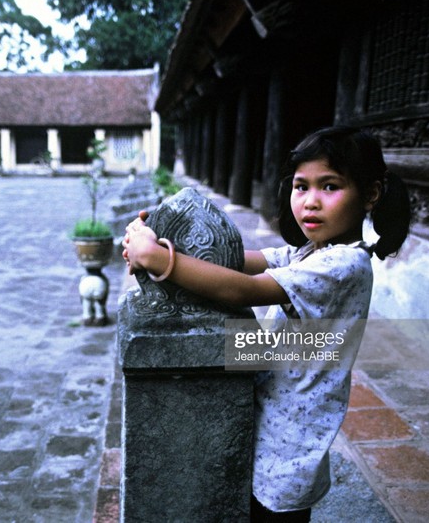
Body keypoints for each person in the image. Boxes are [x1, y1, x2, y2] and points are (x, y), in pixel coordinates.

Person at [122, 126, 411, 522]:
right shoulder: (311, 251)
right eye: (300, 186)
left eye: (329, 186)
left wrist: (158, 261)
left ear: (371, 194)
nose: (310, 202)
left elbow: (241, 289)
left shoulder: (342, 266)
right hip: (271, 422)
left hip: (288, 446)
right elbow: (239, 259)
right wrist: (170, 238)